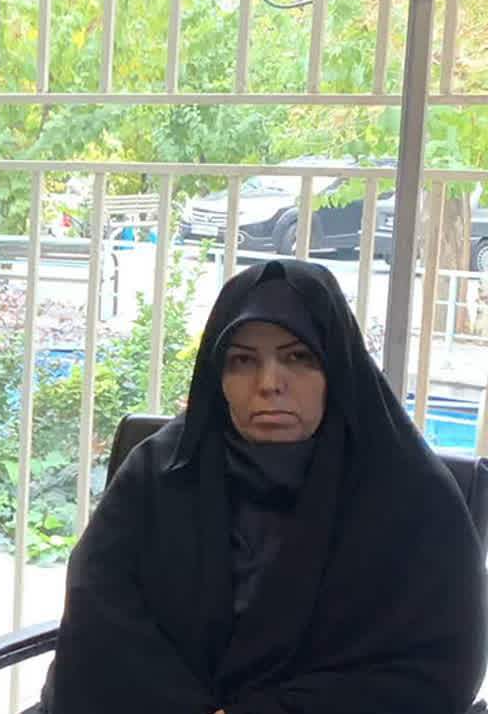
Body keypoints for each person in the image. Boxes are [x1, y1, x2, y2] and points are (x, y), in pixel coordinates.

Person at [42, 259, 486, 713]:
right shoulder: (160, 474)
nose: (269, 384)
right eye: (242, 360)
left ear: (336, 368)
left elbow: (432, 671)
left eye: (298, 357)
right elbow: (99, 624)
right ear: (217, 377)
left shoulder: (411, 496)